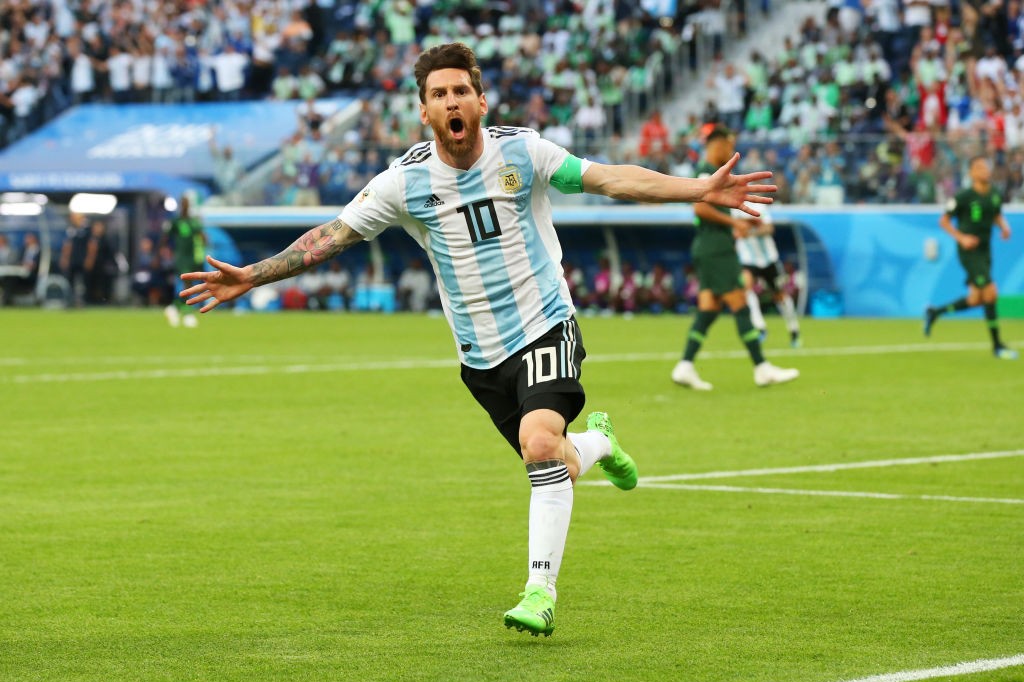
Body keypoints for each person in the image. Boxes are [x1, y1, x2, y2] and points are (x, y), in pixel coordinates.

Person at [180, 43, 776, 638]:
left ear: (481, 101)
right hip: (480, 356)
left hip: (545, 323)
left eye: (461, 91)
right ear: (424, 111)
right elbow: (330, 236)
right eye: (439, 94)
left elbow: (610, 178)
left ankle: (540, 592)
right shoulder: (404, 182)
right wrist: (252, 275)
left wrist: (699, 188)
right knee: (555, 459)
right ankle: (598, 443)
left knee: (538, 443)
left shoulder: (524, 151)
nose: (452, 102)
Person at [671, 125, 799, 391]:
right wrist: (733, 224)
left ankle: (685, 365)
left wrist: (737, 225)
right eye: (728, 145)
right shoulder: (707, 171)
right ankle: (762, 367)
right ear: (716, 143)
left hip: (711, 246)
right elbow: (700, 209)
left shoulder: (709, 171)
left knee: (709, 308)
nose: (731, 151)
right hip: (717, 248)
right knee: (740, 301)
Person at [925, 156, 1018, 359]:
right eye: (979, 167)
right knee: (990, 293)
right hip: (970, 252)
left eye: (986, 167)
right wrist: (962, 237)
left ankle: (935, 312)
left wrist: (1004, 227)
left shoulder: (994, 194)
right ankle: (997, 346)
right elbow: (944, 221)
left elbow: (996, 214)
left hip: (985, 250)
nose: (984, 170)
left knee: (976, 299)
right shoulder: (964, 196)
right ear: (971, 173)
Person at [732, 202, 801, 347]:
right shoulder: (732, 209)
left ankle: (793, 329)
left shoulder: (758, 207)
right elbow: (734, 231)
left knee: (780, 296)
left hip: (769, 259)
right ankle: (760, 327)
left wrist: (749, 231)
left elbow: (769, 228)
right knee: (746, 289)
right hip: (748, 259)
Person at [164, 194, 206, 328]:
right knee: (187, 284)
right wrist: (165, 251)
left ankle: (174, 308)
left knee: (190, 284)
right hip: (181, 257)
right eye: (183, 203)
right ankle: (188, 313)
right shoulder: (176, 221)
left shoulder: (194, 222)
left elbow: (203, 237)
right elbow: (166, 237)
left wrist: (203, 244)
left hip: (193, 257)